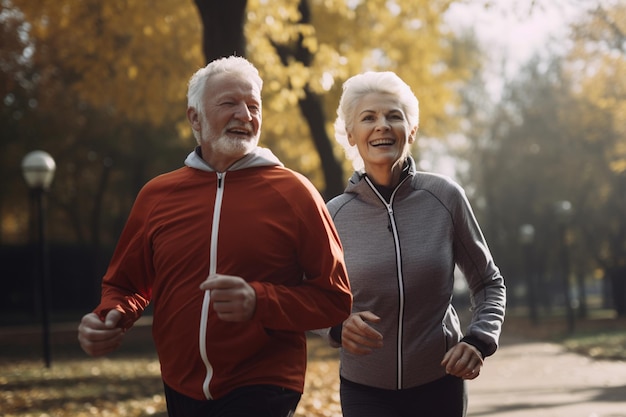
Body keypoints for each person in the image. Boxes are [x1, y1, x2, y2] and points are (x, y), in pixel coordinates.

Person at [77, 55, 352, 417]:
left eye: (253, 105)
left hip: (265, 383)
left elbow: (334, 300)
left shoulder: (296, 193)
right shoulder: (157, 195)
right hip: (179, 382)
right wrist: (110, 315)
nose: (245, 115)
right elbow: (126, 283)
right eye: (229, 104)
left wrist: (259, 301)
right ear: (195, 117)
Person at [318, 71, 506, 417]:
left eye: (394, 116)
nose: (382, 126)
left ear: (412, 131)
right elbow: (308, 294)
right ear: (351, 135)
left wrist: (478, 339)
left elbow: (488, 282)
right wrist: (336, 327)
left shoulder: (445, 198)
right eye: (368, 118)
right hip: (364, 389)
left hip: (439, 382)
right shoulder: (333, 215)